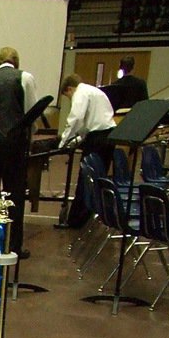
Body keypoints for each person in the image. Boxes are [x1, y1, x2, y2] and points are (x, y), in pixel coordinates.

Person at [0, 46, 39, 258]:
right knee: (14, 193)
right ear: (16, 61)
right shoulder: (24, 77)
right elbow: (31, 111)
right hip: (14, 142)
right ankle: (13, 245)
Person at [59, 74, 117, 227]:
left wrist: (63, 142)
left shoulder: (80, 92)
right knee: (99, 179)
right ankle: (93, 216)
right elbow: (87, 125)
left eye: (67, 96)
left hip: (98, 139)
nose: (70, 99)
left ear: (69, 89)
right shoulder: (95, 91)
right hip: (108, 136)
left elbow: (76, 118)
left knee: (86, 178)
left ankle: (76, 220)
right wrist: (77, 139)